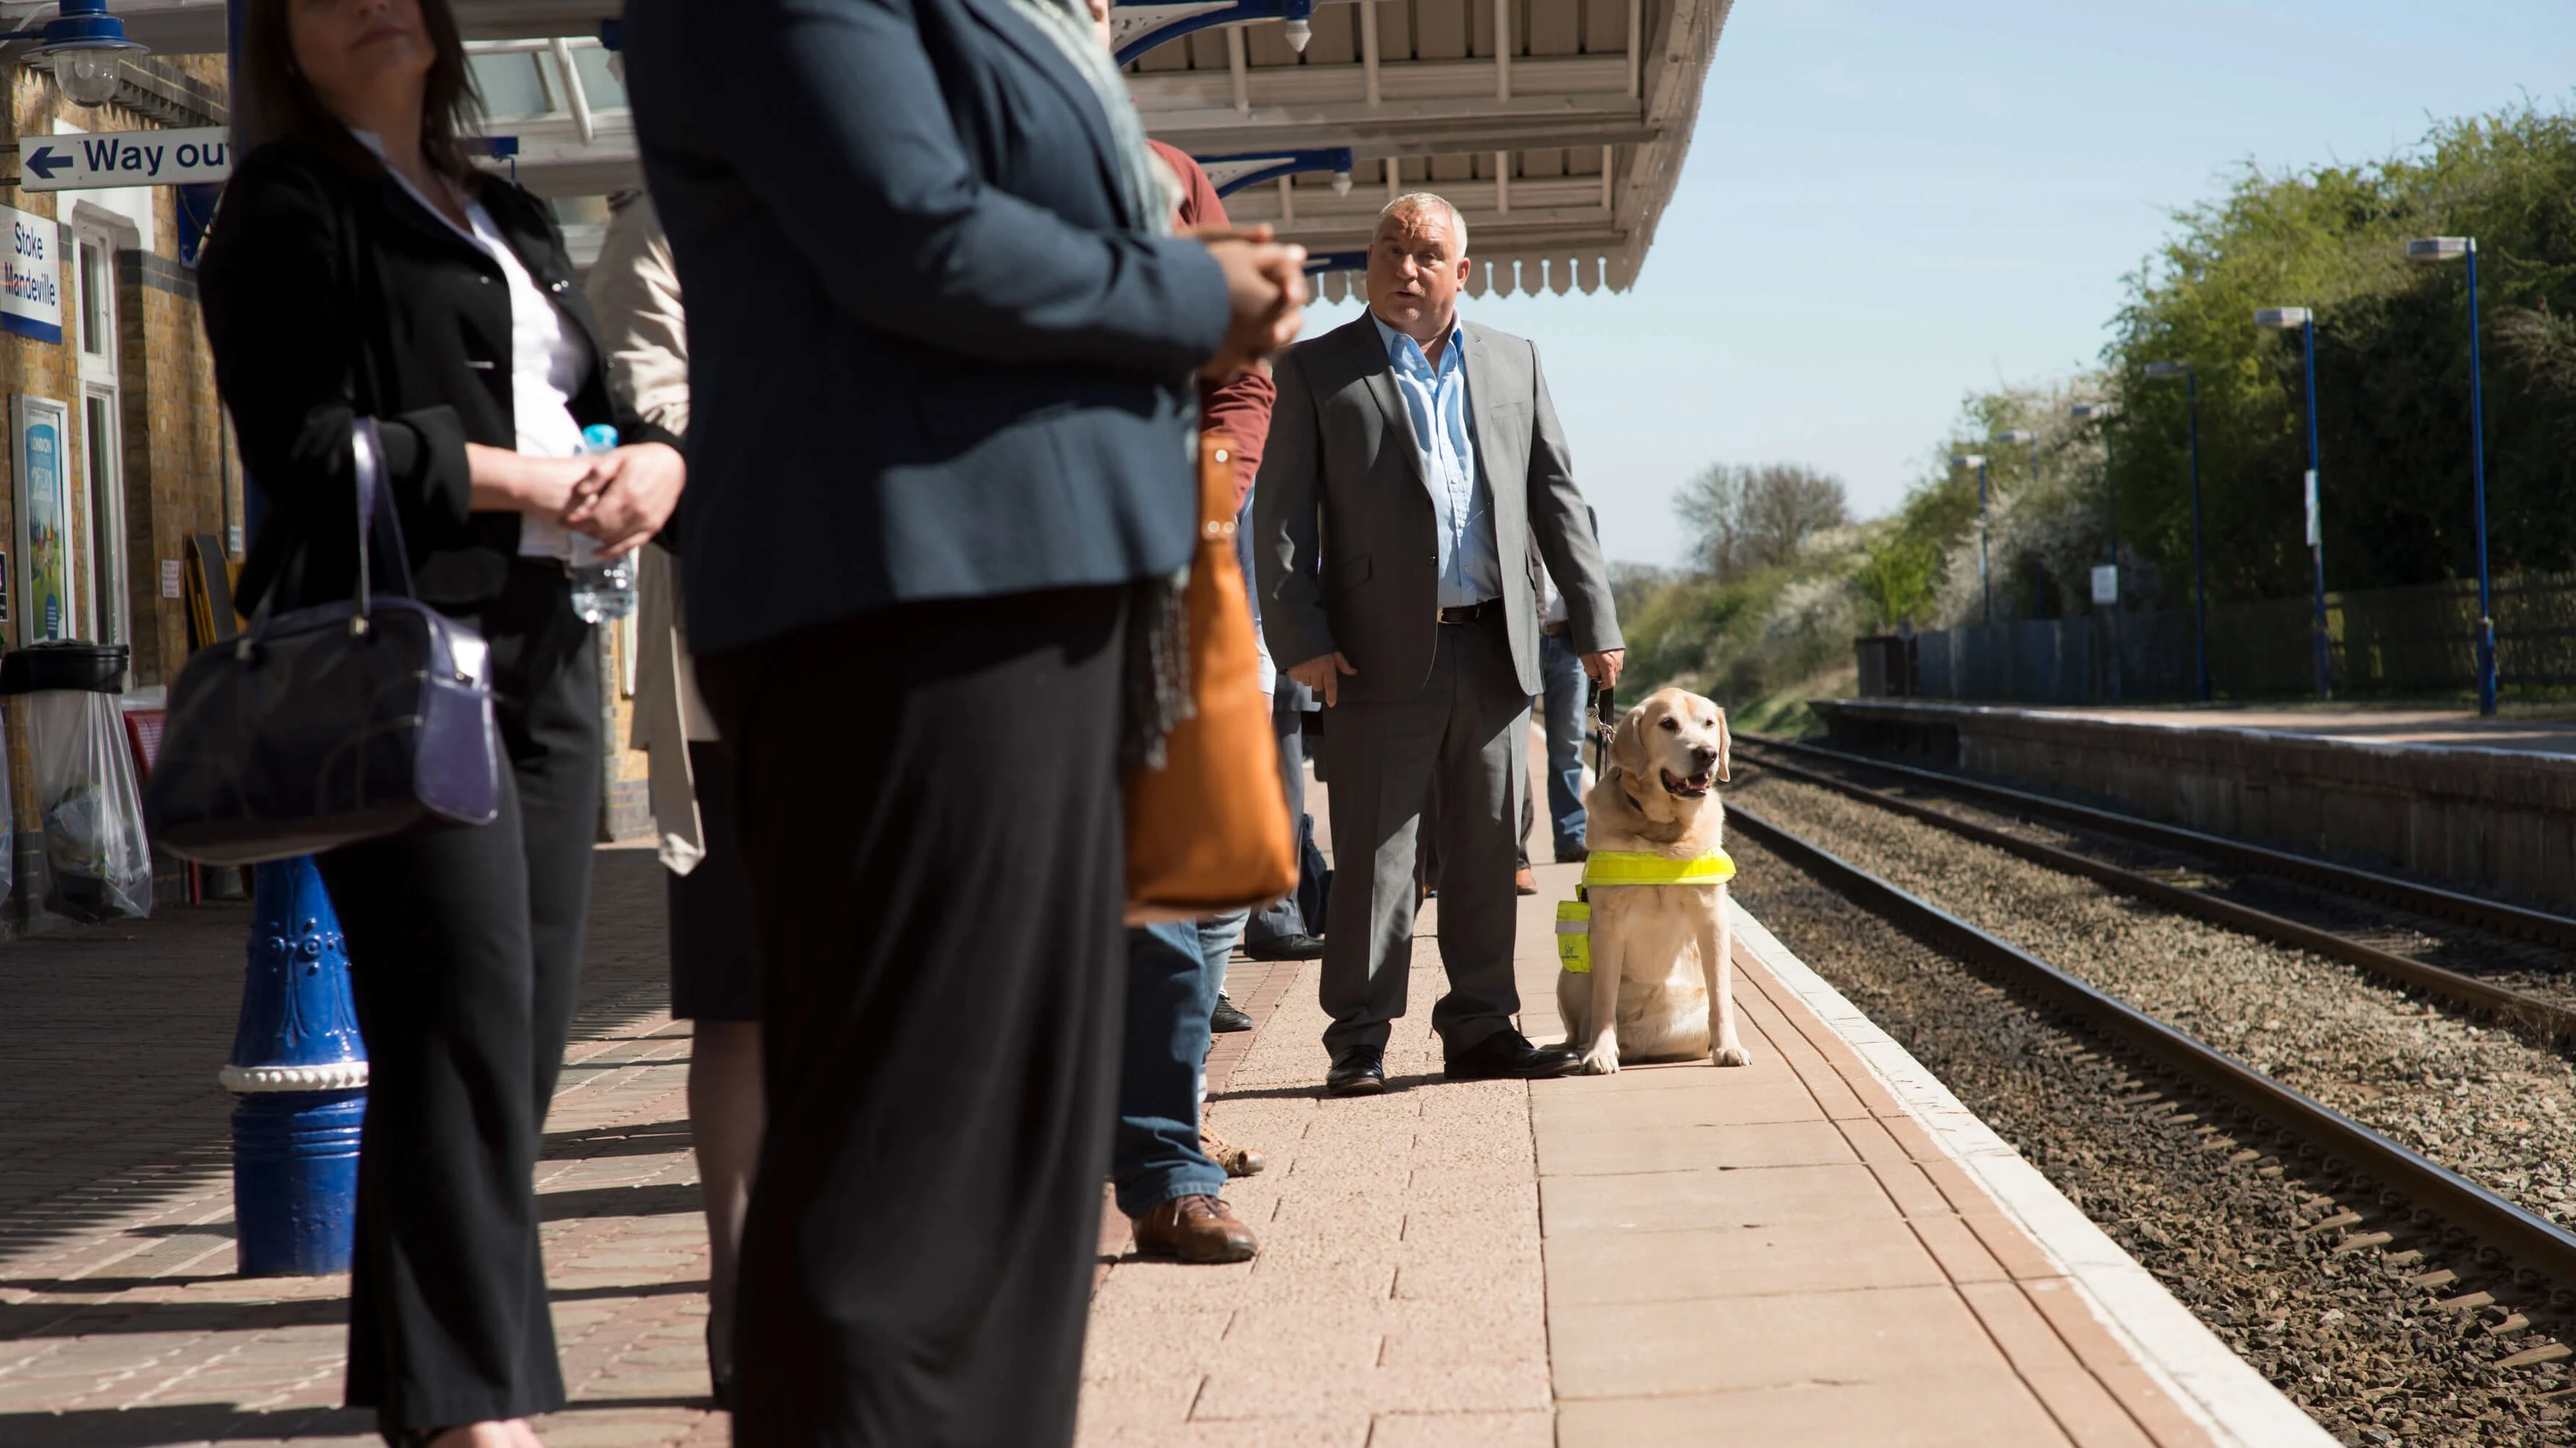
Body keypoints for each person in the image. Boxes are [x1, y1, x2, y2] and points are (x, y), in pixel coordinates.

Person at [623, 1, 1306, 1442]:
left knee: (1016, 1175)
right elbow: (910, 233)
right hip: (906, 599)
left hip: (1026, 594)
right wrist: (1195, 296)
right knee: (913, 1173)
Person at [199, 1, 686, 1444]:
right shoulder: (285, 207)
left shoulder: (511, 206)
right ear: (281, 37)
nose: (374, 1)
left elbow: (598, 400)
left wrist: (652, 468)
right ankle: (480, 1410)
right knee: (463, 1021)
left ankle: (424, 1383)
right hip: (407, 656)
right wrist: (524, 484)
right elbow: (300, 446)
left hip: (548, 656)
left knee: (508, 1038)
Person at [1254, 191, 1622, 1097]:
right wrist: (1298, 636)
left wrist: (1595, 624)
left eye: (1425, 254)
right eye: (1389, 250)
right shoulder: (1314, 371)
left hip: (1495, 649)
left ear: (1463, 271)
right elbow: (1282, 519)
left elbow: (1555, 497)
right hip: (1374, 655)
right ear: (1366, 264)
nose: (1405, 268)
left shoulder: (1512, 362)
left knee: (1487, 850)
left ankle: (1481, 1025)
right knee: (1377, 855)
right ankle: (1359, 1036)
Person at [582, 191, 761, 1411]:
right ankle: (743, 1287)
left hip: (913, 669)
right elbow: (659, 412)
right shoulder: (663, 225)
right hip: (741, 670)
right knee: (744, 997)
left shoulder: (908, 179)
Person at [1113, 138, 1272, 1262]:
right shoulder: (921, 131)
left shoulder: (1166, 171)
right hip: (972, 571)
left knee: (1166, 894)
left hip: (1152, 575)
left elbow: (1243, 372)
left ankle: (1169, 1166)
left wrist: (1208, 484)